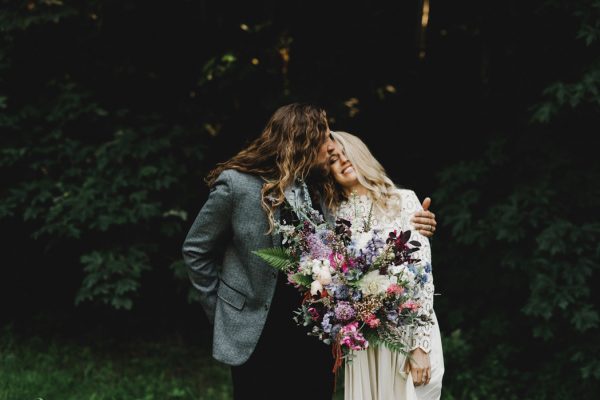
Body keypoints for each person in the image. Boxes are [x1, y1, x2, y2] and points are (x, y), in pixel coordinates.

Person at [181, 103, 438, 400]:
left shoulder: (319, 190)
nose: (331, 145)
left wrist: (417, 220)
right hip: (256, 332)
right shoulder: (237, 185)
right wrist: (224, 314)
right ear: (305, 140)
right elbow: (195, 250)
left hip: (313, 336)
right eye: (326, 136)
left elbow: (369, 218)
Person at [325, 131, 444, 400]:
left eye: (347, 153)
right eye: (333, 159)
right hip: (364, 341)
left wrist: (420, 346)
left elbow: (423, 278)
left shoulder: (404, 200)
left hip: (406, 330)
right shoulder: (332, 217)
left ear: (361, 154)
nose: (343, 161)